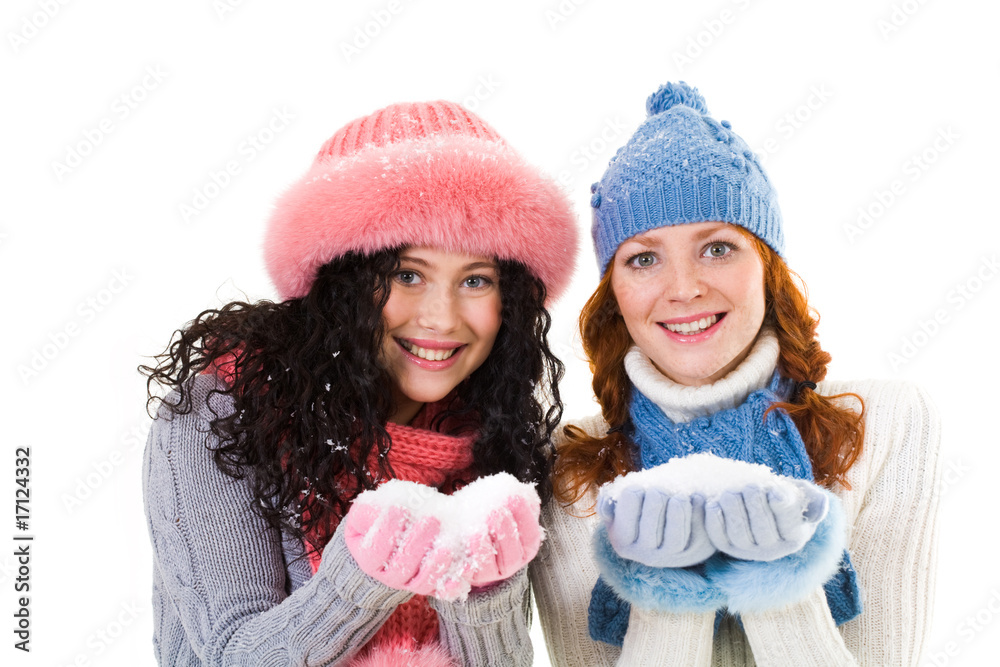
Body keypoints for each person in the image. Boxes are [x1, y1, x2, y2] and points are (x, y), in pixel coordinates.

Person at [140, 100, 578, 666]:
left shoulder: (500, 434)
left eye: (475, 279)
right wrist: (364, 575)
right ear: (342, 281)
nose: (442, 318)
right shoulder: (222, 412)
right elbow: (231, 653)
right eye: (407, 274)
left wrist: (482, 596)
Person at [529, 81, 941, 666]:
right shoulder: (569, 468)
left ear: (767, 266)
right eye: (644, 258)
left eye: (717, 247)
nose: (684, 288)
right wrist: (666, 597)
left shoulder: (886, 424)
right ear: (613, 292)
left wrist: (778, 584)